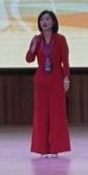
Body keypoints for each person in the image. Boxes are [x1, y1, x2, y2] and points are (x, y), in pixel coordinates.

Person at [25, 10, 71, 157]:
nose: (44, 22)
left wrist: (66, 78)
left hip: (56, 79)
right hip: (41, 81)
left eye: (47, 19)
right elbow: (29, 59)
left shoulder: (60, 39)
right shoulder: (37, 40)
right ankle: (42, 149)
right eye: (42, 20)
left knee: (57, 114)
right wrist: (32, 47)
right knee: (41, 115)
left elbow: (65, 61)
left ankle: (55, 148)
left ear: (53, 22)